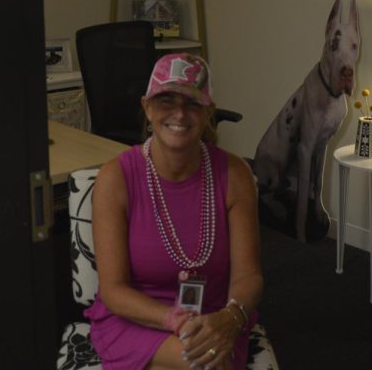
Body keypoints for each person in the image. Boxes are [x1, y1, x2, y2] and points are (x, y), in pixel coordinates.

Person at [85, 53, 263, 370]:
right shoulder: (116, 178)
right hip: (137, 317)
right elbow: (113, 290)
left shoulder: (235, 174)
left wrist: (230, 318)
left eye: (192, 103)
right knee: (202, 364)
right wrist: (176, 321)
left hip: (214, 317)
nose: (179, 114)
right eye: (166, 100)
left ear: (208, 112)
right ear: (147, 106)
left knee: (203, 360)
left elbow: (248, 275)